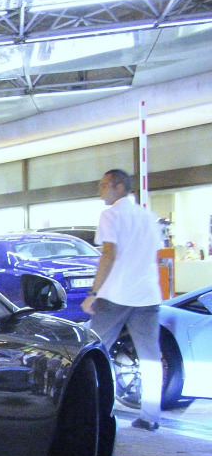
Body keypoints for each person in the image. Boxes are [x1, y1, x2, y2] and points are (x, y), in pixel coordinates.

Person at [82, 169, 164, 431]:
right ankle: (151, 417)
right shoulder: (149, 217)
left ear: (118, 186)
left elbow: (108, 255)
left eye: (103, 185)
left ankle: (90, 409)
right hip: (148, 296)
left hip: (116, 294)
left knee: (91, 350)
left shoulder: (111, 214)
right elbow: (155, 255)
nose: (100, 190)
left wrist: (93, 293)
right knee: (150, 357)